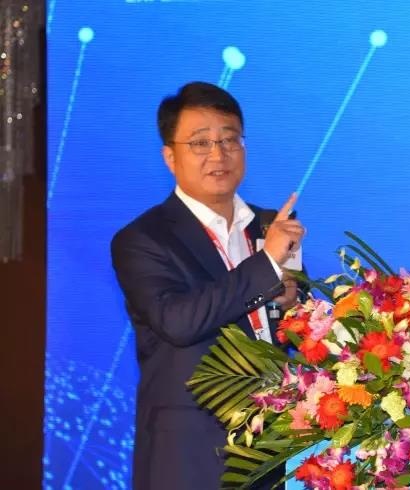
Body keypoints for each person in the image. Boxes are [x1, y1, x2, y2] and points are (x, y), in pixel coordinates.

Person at [111, 82, 304, 490]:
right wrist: (267, 263)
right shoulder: (142, 239)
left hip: (269, 448)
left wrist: (293, 304)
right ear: (170, 156)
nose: (218, 154)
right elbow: (178, 321)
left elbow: (296, 331)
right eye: (200, 143)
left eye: (230, 139)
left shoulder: (270, 225)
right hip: (189, 456)